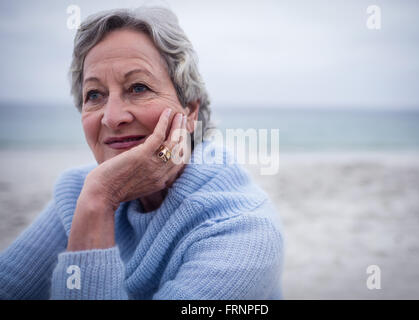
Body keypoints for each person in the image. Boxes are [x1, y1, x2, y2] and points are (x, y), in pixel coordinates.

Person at [0, 6, 283, 299]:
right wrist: (97, 197)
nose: (112, 117)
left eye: (138, 87)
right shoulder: (77, 193)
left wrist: (99, 204)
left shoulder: (243, 233)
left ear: (189, 111)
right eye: (94, 94)